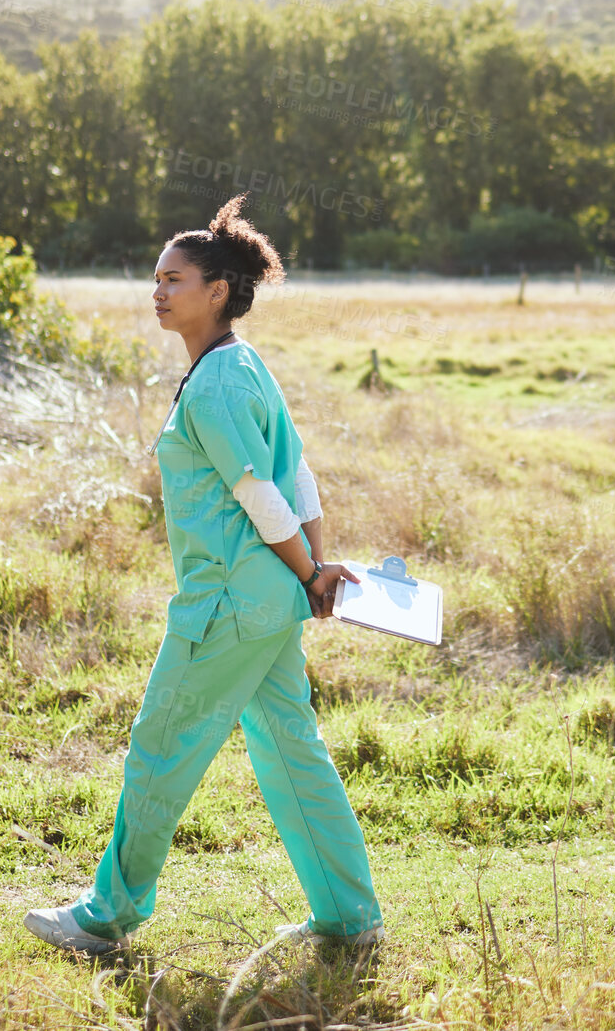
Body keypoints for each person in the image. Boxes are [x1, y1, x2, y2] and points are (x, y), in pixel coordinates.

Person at [23, 193, 385, 957]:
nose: (157, 291)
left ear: (217, 290)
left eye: (174, 279)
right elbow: (302, 478)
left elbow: (261, 493)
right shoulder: (243, 366)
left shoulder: (218, 380)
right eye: (154, 278)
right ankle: (349, 917)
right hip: (271, 604)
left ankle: (105, 916)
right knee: (292, 752)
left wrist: (314, 570)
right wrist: (311, 571)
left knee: (160, 745)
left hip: (223, 607)